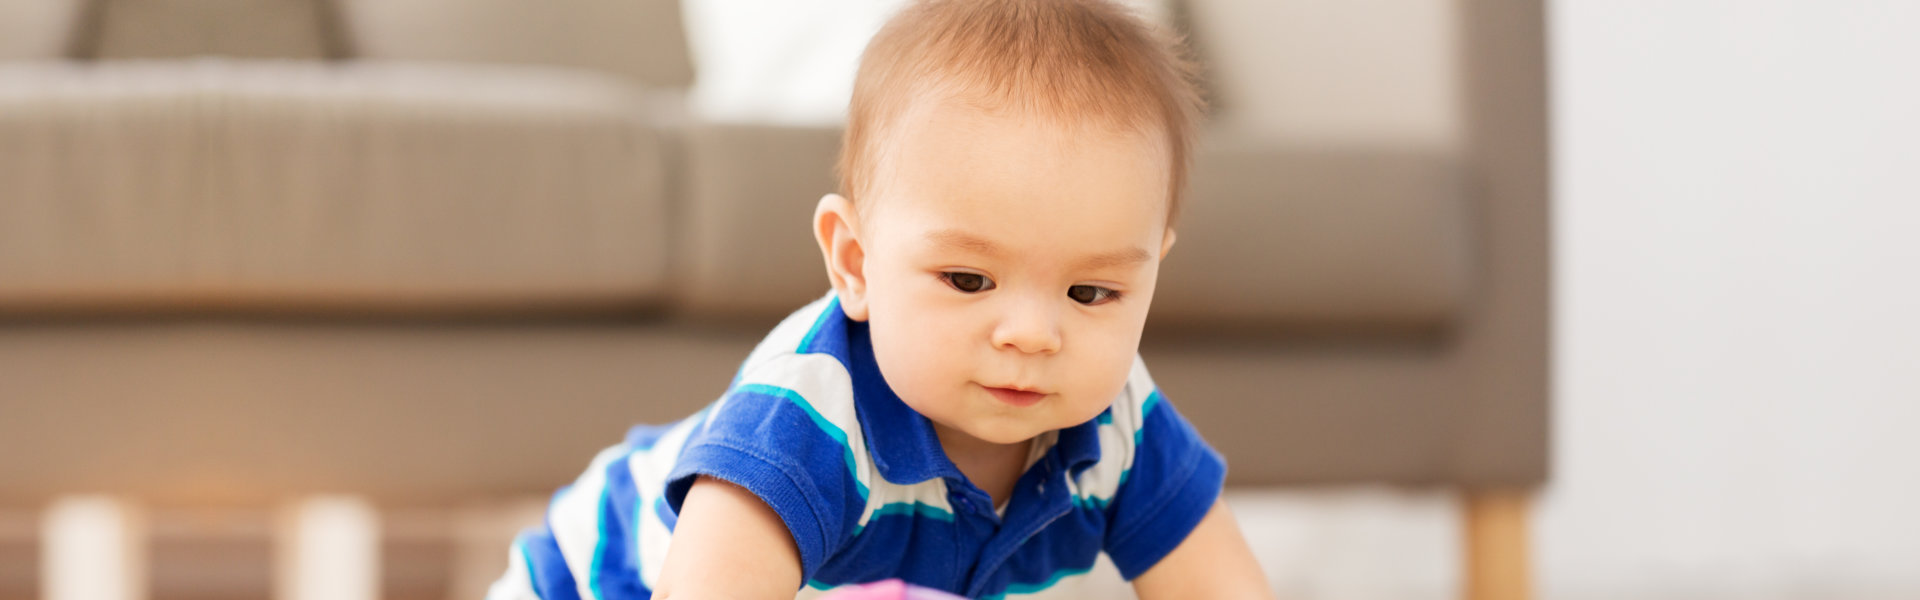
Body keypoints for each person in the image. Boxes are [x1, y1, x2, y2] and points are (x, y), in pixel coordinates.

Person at [490, 0, 1271, 597]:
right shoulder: (806, 421)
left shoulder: (1120, 421)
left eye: (1092, 291)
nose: (1034, 334)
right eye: (969, 280)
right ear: (856, 263)